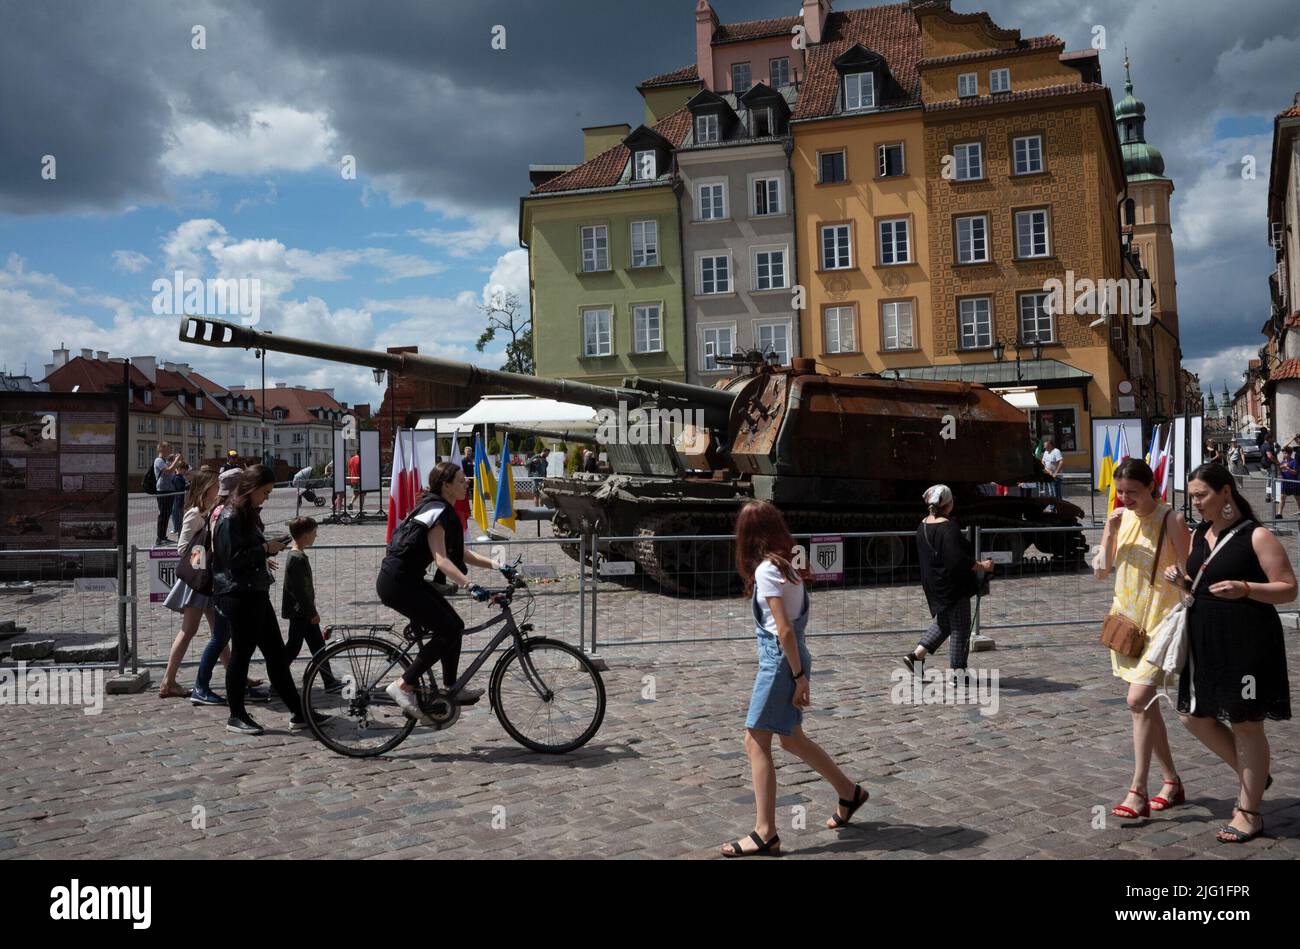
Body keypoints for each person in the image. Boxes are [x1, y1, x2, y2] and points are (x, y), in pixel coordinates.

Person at [720, 500, 866, 857]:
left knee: (755, 741)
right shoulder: (788, 568)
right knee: (792, 740)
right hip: (789, 661)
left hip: (780, 664)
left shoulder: (769, 570)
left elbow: (783, 630)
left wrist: (799, 677)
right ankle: (849, 792)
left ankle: (765, 832)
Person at [1169, 463, 1293, 842]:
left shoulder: (1257, 535)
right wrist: (1183, 582)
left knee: (1245, 723)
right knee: (1192, 715)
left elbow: (1288, 588)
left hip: (1247, 640)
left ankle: (1250, 812)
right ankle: (1254, 773)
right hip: (1205, 638)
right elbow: (1202, 584)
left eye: (1201, 495)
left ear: (1225, 492)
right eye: (1192, 495)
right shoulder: (1200, 534)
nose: (1196, 503)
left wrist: (1245, 587)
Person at [1093, 458, 1191, 821]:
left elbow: (1193, 573)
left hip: (1161, 624)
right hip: (1128, 625)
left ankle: (1138, 789)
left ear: (1152, 486)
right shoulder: (1121, 519)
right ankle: (1172, 781)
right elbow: (1101, 571)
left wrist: (1179, 577)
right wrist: (1108, 529)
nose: (1124, 498)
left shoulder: (1171, 520)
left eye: (1131, 492)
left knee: (1137, 699)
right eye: (1119, 492)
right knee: (1145, 707)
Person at [379, 462, 503, 723]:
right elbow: (441, 560)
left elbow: (461, 554)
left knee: (454, 626)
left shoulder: (438, 508)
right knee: (447, 629)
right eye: (460, 480)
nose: (466, 483)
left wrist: (498, 566)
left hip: (405, 579)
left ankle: (450, 687)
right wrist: (470, 586)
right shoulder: (437, 511)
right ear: (446, 486)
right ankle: (403, 685)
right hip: (399, 582)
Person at [211, 464, 323, 735]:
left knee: (275, 654)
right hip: (238, 594)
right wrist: (264, 548)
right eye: (265, 492)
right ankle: (236, 715)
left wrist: (266, 548)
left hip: (254, 592)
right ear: (250, 489)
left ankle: (300, 712)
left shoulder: (246, 514)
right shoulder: (230, 516)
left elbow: (244, 552)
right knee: (242, 654)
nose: (267, 497)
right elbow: (231, 559)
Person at [902, 485, 994, 680]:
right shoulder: (948, 527)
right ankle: (958, 674)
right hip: (952, 586)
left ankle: (916, 656)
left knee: (944, 622)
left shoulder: (923, 525)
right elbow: (958, 560)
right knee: (960, 627)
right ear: (948, 504)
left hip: (934, 585)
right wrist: (982, 566)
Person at [190, 468, 266, 706]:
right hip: (228, 584)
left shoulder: (220, 510)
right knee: (223, 638)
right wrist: (261, 551)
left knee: (225, 637)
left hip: (228, 582)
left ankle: (234, 684)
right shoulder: (225, 512)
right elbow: (229, 553)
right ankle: (202, 686)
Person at [158, 470, 219, 698]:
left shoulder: (210, 512)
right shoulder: (194, 514)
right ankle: (168, 681)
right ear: (205, 490)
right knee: (189, 631)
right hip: (197, 581)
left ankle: (238, 677)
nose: (218, 490)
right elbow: (182, 548)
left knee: (218, 632)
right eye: (215, 486)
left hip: (206, 580)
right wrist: (204, 557)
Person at [281, 516, 341, 692]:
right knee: (293, 647)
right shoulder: (297, 558)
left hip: (303, 612)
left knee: (318, 646)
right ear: (305, 535)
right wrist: (312, 612)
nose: (316, 536)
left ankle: (329, 681)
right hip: (301, 612)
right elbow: (301, 590)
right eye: (314, 533)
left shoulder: (297, 555)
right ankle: (278, 681)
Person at [153, 442, 181, 546]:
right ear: (161, 449)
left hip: (169, 490)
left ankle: (163, 537)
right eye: (167, 449)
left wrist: (175, 461)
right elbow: (168, 471)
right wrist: (176, 460)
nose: (169, 451)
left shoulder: (165, 461)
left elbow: (173, 471)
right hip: (162, 491)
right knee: (163, 514)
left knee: (167, 514)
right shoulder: (158, 460)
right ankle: (159, 538)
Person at [170, 460, 190, 536]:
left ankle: (180, 533)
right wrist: (187, 486)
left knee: (180, 518)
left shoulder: (179, 477)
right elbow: (180, 488)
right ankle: (180, 534)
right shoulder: (177, 478)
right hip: (178, 501)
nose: (185, 471)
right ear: (180, 469)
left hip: (179, 500)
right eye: (184, 470)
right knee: (179, 518)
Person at [1278, 449, 1298, 518]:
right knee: (1282, 497)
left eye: (1285, 453)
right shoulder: (1282, 462)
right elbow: (1280, 470)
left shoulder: (1294, 461)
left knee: (1297, 499)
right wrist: (1281, 467)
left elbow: (1295, 472)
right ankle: (1279, 514)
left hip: (1293, 483)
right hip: (1285, 483)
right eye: (1283, 453)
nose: (1284, 455)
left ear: (1290, 454)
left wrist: (1287, 468)